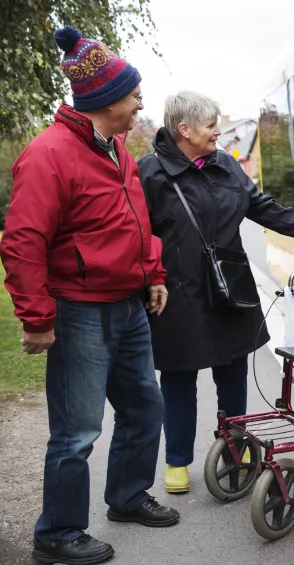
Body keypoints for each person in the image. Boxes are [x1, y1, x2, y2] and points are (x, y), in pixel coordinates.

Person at [0, 26, 179, 565]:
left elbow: (135, 218)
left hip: (129, 305)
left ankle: (126, 496)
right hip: (80, 312)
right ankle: (56, 534)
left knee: (145, 407)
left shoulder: (118, 148)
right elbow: (22, 240)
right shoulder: (48, 154)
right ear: (104, 99)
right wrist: (37, 319)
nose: (139, 102)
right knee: (77, 430)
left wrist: (153, 272)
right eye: (132, 95)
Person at [137, 91, 294, 494]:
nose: (218, 132)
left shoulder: (226, 164)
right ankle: (177, 461)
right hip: (178, 294)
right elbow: (135, 234)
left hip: (230, 288)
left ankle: (235, 447)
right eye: (211, 126)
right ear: (184, 130)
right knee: (178, 380)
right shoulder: (149, 173)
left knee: (233, 373)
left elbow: (262, 206)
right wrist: (145, 278)